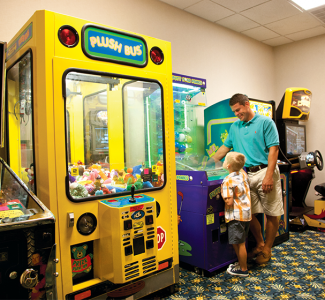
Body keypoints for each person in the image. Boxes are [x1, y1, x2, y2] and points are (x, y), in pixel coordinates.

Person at [211, 93, 283, 265]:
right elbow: (224, 148)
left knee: (271, 213)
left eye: (238, 110)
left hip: (265, 171)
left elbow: (274, 150)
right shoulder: (235, 127)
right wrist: (207, 162)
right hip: (245, 175)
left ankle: (267, 249)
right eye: (234, 111)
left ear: (246, 104)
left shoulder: (266, 122)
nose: (237, 114)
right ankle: (259, 244)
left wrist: (268, 176)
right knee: (249, 214)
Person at [221, 152, 251, 277]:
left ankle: (243, 269)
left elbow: (228, 201)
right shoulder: (243, 175)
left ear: (228, 165)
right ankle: (240, 263)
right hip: (246, 214)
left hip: (236, 216)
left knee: (240, 243)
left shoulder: (227, 180)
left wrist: (222, 193)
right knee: (239, 241)